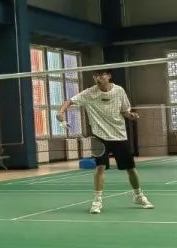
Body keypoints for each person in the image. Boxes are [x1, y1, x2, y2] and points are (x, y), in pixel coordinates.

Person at [57, 69, 154, 215]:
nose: (98, 78)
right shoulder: (89, 93)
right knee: (100, 167)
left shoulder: (119, 91)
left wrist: (130, 115)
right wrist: (60, 112)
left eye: (101, 75)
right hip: (99, 136)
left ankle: (138, 196)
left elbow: (124, 111)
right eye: (95, 76)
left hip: (119, 135)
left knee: (130, 168)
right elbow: (69, 101)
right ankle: (97, 201)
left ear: (108, 76)